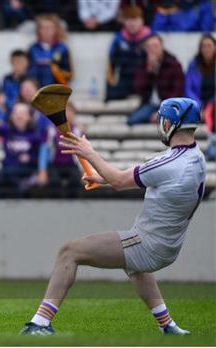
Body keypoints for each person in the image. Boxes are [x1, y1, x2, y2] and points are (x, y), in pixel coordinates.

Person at [20, 97, 205, 336]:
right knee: (136, 267)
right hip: (169, 245)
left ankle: (39, 323)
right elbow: (140, 176)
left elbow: (120, 181)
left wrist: (89, 152)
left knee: (69, 251)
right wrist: (101, 178)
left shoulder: (169, 163)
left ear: (169, 124)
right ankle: (167, 325)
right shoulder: (195, 158)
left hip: (147, 244)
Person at [128, 35, 184, 125]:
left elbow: (178, 92)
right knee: (132, 120)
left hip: (168, 105)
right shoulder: (143, 65)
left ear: (161, 47)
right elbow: (137, 88)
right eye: (149, 47)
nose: (152, 50)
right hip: (150, 104)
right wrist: (148, 72)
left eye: (155, 46)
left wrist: (163, 112)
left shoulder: (173, 64)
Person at [106, 5, 152, 101]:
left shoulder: (150, 38)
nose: (132, 23)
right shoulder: (118, 39)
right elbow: (111, 65)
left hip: (145, 82)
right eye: (129, 19)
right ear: (124, 21)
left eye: (135, 20)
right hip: (125, 81)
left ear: (142, 21)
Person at [28, 14, 73, 86]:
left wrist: (55, 70)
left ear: (56, 29)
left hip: (56, 89)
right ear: (38, 30)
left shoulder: (62, 48)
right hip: (36, 89)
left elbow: (69, 74)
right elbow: (29, 71)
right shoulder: (33, 48)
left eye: (50, 27)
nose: (47, 31)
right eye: (44, 28)